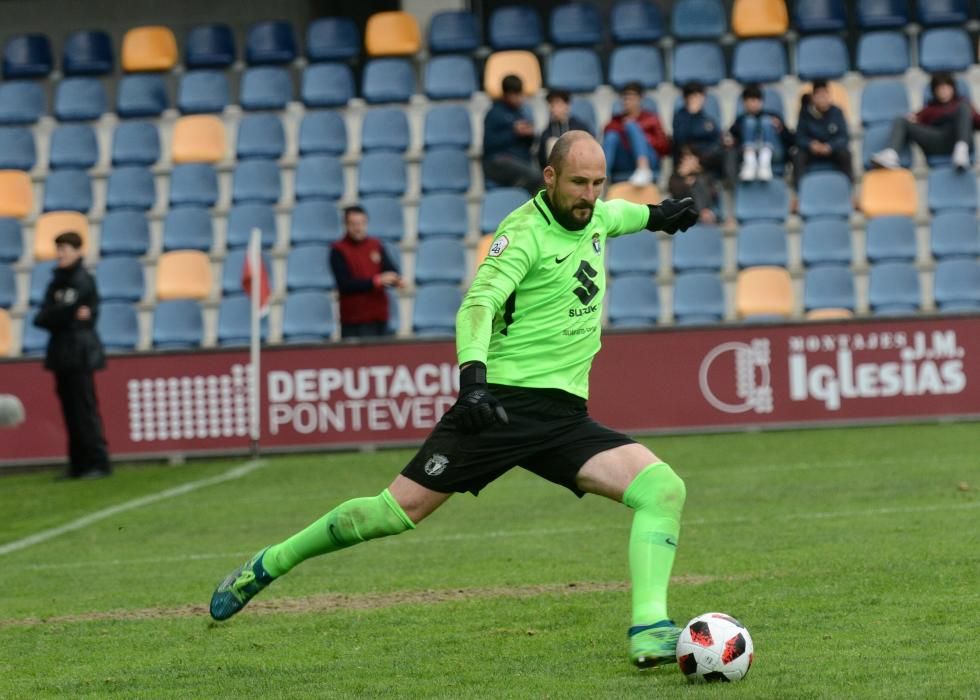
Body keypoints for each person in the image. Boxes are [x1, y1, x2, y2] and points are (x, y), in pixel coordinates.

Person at [210, 131, 700, 670]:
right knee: (391, 514)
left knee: (662, 489)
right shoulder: (522, 234)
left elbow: (619, 216)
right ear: (550, 178)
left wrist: (659, 215)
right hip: (500, 405)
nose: (589, 195)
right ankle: (268, 564)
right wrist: (473, 381)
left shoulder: (598, 217)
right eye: (579, 183)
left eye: (598, 183)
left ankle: (650, 629)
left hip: (563, 418)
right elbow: (478, 306)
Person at [33, 231, 110, 480]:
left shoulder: (83, 279)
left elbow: (58, 314)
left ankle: (98, 462)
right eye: (59, 249)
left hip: (80, 352)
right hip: (61, 353)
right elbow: (42, 317)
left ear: (78, 251)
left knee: (84, 410)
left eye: (65, 249)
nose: (61, 254)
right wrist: (66, 313)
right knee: (69, 411)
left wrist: (60, 313)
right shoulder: (56, 281)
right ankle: (78, 465)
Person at [871, 72, 980, 172]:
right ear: (934, 91)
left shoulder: (963, 104)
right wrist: (912, 119)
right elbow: (915, 119)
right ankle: (891, 154)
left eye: (947, 87)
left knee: (964, 109)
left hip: (957, 139)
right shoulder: (929, 109)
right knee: (901, 120)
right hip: (936, 141)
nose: (944, 90)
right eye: (940, 88)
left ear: (953, 88)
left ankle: (961, 151)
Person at [329, 205, 403, 339]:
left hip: (379, 317)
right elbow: (345, 284)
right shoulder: (338, 250)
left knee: (382, 358)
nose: (358, 228)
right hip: (354, 320)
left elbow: (390, 269)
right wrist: (375, 281)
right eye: (353, 224)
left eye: (361, 223)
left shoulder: (376, 245)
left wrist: (396, 279)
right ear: (346, 225)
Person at [483, 74, 543, 194]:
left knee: (544, 179)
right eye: (515, 95)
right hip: (498, 161)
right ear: (506, 95)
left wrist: (530, 134)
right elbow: (489, 144)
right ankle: (516, 198)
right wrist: (513, 133)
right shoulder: (494, 114)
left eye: (520, 94)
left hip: (521, 160)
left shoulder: (522, 113)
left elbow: (530, 145)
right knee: (535, 176)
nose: (519, 98)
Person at [603, 81, 671, 186]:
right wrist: (624, 127)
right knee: (612, 135)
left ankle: (643, 169)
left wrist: (644, 138)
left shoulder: (651, 119)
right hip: (626, 160)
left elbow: (664, 148)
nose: (627, 101)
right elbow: (606, 133)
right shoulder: (616, 121)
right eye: (625, 98)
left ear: (640, 99)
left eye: (631, 98)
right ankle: (602, 177)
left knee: (631, 126)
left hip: (649, 160)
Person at [729, 84, 793, 182]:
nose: (753, 104)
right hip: (748, 154)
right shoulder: (740, 120)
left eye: (756, 100)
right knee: (749, 121)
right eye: (750, 100)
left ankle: (764, 161)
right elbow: (732, 138)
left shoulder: (773, 117)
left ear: (761, 102)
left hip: (774, 153)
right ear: (744, 102)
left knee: (766, 121)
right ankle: (750, 162)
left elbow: (790, 139)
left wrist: (781, 128)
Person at [793, 79, 852, 186]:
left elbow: (844, 137)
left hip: (831, 150)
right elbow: (799, 137)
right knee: (798, 155)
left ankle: (848, 189)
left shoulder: (837, 112)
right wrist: (811, 144)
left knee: (845, 153)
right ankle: (799, 192)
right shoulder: (805, 113)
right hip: (812, 151)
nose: (823, 99)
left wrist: (830, 146)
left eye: (825, 95)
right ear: (813, 98)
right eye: (819, 96)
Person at [672, 81, 730, 181]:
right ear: (686, 98)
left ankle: (697, 166)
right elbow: (680, 138)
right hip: (688, 155)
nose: (697, 100)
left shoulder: (706, 117)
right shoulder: (680, 117)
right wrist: (691, 115)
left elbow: (717, 137)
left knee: (725, 150)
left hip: (707, 157)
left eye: (700, 96)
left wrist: (698, 161)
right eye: (693, 97)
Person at [537, 89, 592, 169]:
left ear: (567, 106)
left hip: (579, 169)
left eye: (557, 103)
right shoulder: (546, 133)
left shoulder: (580, 128)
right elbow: (542, 160)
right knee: (551, 142)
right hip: (555, 174)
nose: (553, 108)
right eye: (551, 104)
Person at [669, 147, 720, 224]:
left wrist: (695, 181)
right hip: (684, 212)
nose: (686, 161)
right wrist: (683, 179)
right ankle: (703, 213)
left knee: (697, 183)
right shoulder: (676, 177)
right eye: (684, 158)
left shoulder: (705, 176)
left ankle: (703, 213)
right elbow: (676, 195)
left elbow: (713, 194)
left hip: (707, 210)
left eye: (689, 158)